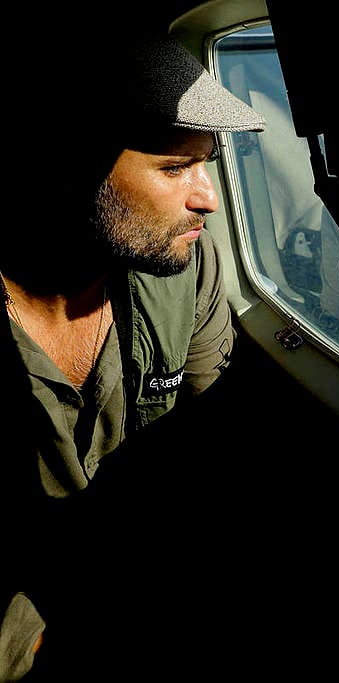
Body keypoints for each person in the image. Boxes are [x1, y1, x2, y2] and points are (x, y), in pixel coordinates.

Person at [1, 31, 265, 681]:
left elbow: (210, 456)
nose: (206, 196)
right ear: (67, 167)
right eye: (175, 168)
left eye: (207, 163)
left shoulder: (187, 269)